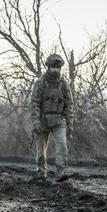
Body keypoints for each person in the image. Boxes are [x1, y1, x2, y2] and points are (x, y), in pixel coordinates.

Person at [29, 53, 75, 182]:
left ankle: (60, 172)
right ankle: (41, 173)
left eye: (58, 68)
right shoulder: (40, 83)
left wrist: (70, 122)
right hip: (43, 120)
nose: (56, 70)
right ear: (48, 67)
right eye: (53, 67)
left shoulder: (63, 84)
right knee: (41, 150)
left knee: (62, 146)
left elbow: (69, 104)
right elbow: (34, 103)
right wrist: (36, 122)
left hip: (59, 121)